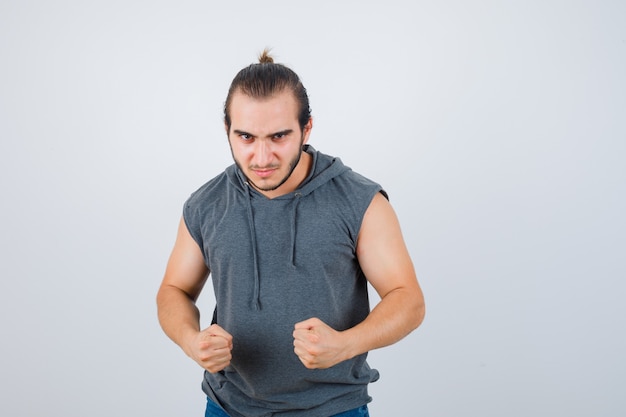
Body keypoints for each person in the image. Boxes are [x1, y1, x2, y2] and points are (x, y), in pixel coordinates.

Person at [156, 50, 425, 417]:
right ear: (227, 131)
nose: (262, 157)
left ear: (306, 129)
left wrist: (345, 344)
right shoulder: (207, 204)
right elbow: (174, 290)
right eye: (246, 137)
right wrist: (192, 340)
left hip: (333, 409)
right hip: (227, 406)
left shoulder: (359, 201)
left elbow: (408, 299)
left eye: (279, 136)